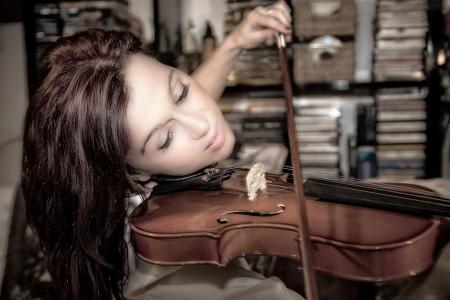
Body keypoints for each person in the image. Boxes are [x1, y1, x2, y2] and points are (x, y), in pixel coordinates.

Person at [22, 1, 299, 300]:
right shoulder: (170, 273)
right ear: (132, 173)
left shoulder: (145, 161)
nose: (202, 123)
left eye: (181, 92)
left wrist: (235, 42)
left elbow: (167, 105)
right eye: (166, 139)